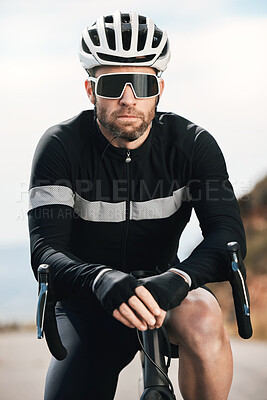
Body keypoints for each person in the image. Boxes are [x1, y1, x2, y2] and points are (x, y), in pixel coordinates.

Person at [28, 10, 246, 400]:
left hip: (165, 291)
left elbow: (226, 236)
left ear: (158, 89)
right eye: (113, 83)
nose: (128, 98)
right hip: (89, 299)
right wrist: (99, 279)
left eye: (142, 82)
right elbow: (45, 249)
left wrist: (178, 280)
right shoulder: (60, 147)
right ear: (90, 89)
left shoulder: (193, 145)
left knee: (204, 315)